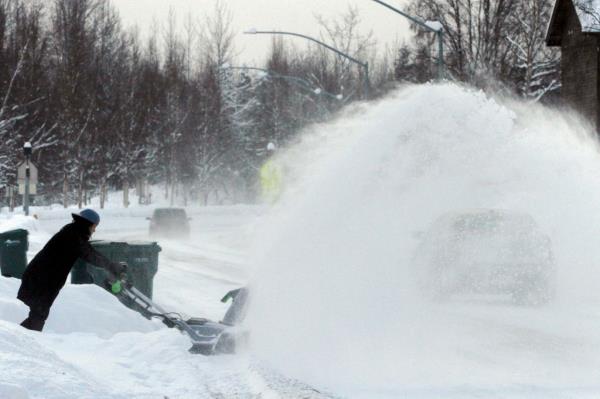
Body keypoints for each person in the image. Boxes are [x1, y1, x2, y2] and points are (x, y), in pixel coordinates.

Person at [17, 209, 124, 332]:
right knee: (39, 314)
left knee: (39, 314)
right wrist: (111, 266)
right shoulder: (73, 235)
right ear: (88, 224)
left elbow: (89, 251)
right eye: (94, 226)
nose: (94, 230)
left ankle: (21, 341)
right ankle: (21, 341)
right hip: (41, 280)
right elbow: (89, 254)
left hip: (41, 279)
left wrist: (110, 265)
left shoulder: (73, 232)